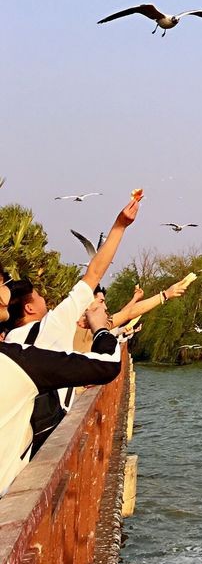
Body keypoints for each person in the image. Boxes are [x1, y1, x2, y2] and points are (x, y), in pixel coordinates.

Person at [3, 195, 139, 454]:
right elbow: (94, 273)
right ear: (29, 308)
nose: (47, 299)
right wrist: (120, 225)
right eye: (40, 296)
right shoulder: (51, 325)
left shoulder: (10, 343)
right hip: (53, 442)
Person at [0, 270, 122, 495]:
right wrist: (100, 327)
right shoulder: (23, 354)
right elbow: (107, 365)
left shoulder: (12, 343)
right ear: (29, 308)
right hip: (17, 484)